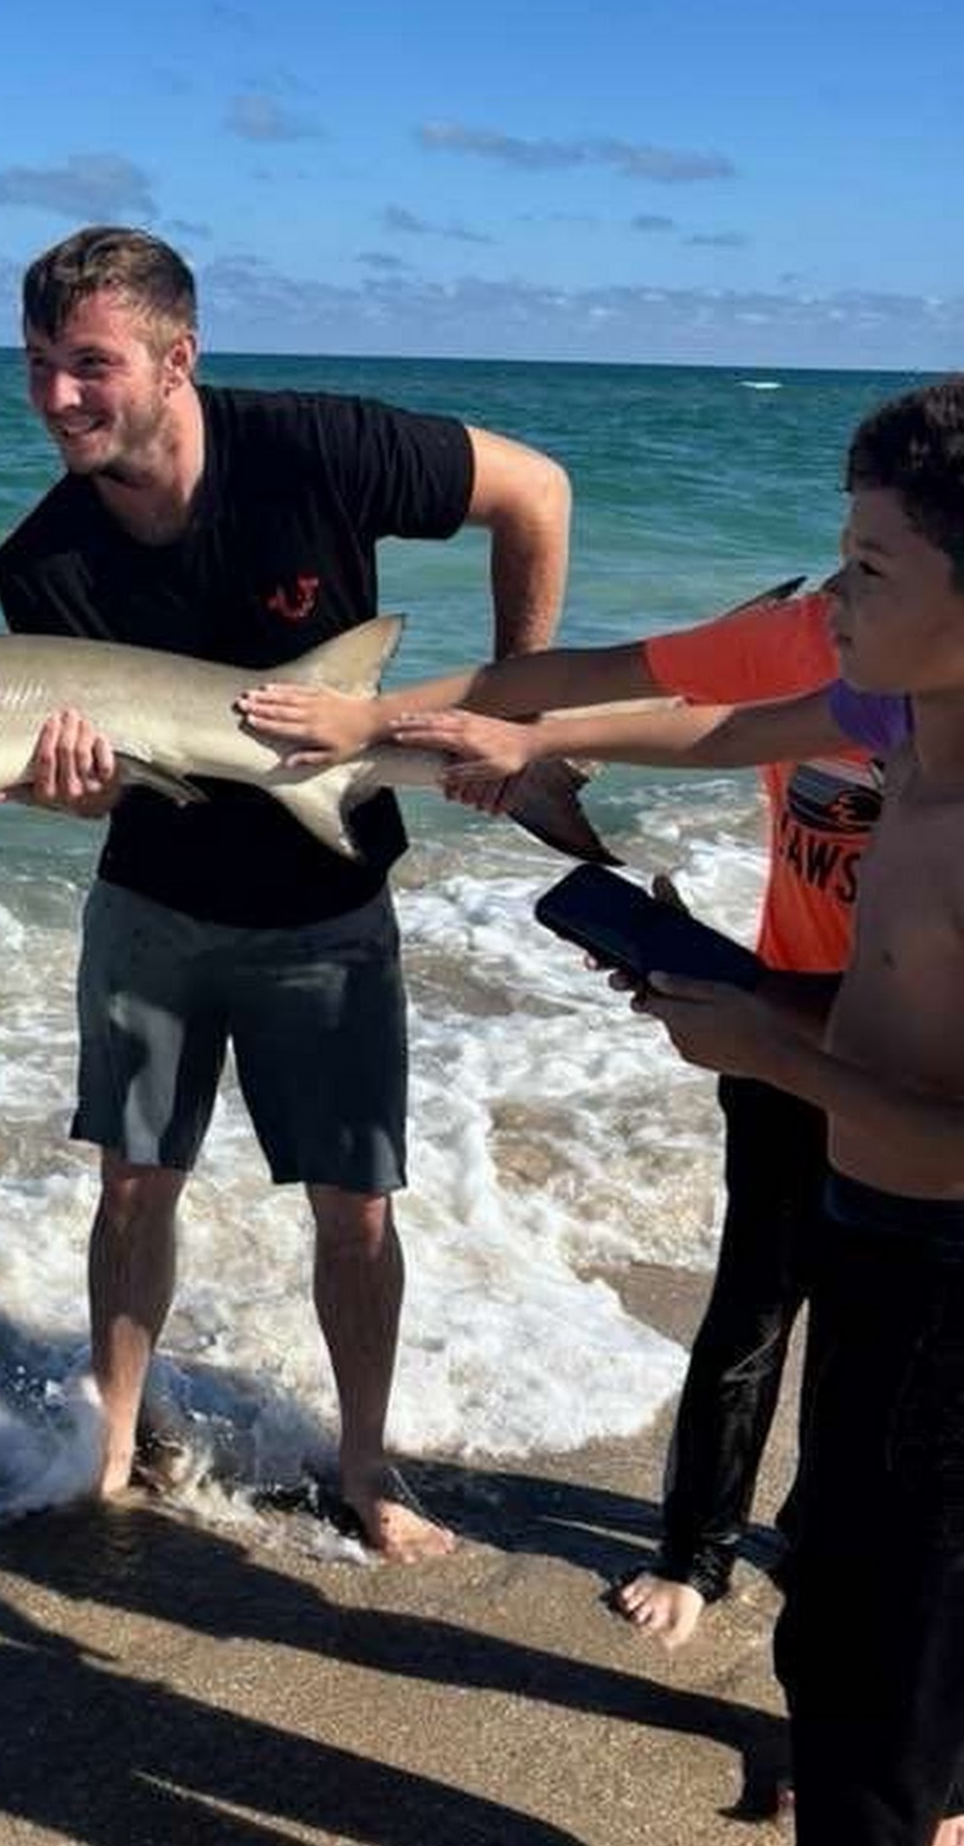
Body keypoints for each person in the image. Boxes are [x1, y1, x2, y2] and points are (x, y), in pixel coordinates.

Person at [389, 380, 964, 1846]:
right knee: (839, 1600)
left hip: (945, 1286)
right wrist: (526, 737)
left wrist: (770, 1051)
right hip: (872, 1230)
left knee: (881, 1673)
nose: (832, 597)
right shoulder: (899, 717)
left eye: (871, 568)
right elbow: (716, 721)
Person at [0, 226, 571, 1560]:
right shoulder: (43, 558)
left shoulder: (316, 448)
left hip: (326, 912)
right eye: (34, 365)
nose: (56, 397)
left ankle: (365, 1464)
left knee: (353, 1208)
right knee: (132, 1186)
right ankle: (112, 1443)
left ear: (177, 358)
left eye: (89, 364)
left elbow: (536, 492)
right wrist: (66, 789)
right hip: (151, 908)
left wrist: (519, 710)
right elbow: (94, 791)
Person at [239, 581, 879, 1645]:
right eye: (847, 553)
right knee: (752, 1304)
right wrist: (385, 718)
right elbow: (607, 684)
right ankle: (695, 1552)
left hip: (913, 1055)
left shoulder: (920, 691)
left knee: (882, 1327)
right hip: (779, 1033)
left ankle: (829, 1543)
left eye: (876, 558)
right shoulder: (808, 640)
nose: (846, 585)